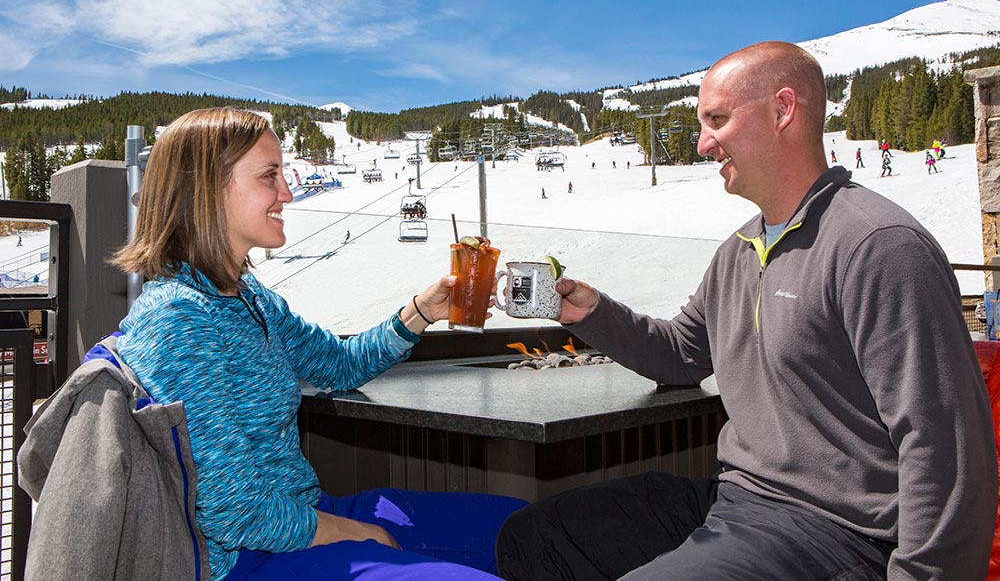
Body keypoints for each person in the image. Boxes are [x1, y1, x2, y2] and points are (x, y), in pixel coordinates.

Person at [495, 42, 996, 580]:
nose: (704, 144)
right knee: (534, 537)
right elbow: (682, 355)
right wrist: (591, 313)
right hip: (736, 504)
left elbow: (946, 447)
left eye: (717, 120)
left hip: (842, 534)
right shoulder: (739, 251)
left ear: (783, 111)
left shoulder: (878, 246)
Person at [111, 108, 525, 581]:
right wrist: (357, 533)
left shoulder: (251, 300)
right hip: (250, 560)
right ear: (206, 188)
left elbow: (339, 365)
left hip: (304, 518)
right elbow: (233, 512)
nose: (287, 193)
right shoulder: (178, 321)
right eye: (270, 176)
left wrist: (423, 311)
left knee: (521, 527)